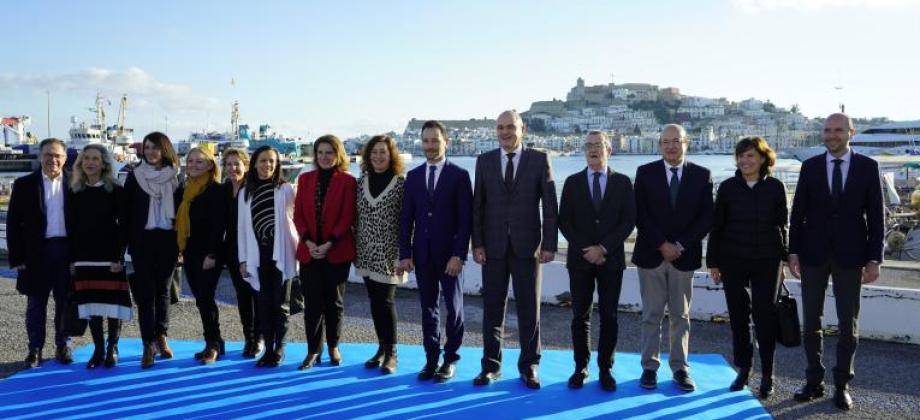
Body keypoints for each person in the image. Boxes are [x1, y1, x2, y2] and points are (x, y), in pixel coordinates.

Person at [789, 113, 884, 411]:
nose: (831, 135)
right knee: (811, 322)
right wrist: (793, 251)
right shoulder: (810, 167)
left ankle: (842, 384)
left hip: (851, 256)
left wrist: (874, 259)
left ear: (851, 133)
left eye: (838, 130)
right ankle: (813, 380)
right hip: (812, 254)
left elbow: (877, 217)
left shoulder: (868, 167)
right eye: (827, 130)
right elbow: (798, 213)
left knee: (847, 323)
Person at [471, 110, 557, 389]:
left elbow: (550, 206)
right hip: (493, 247)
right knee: (492, 310)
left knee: (529, 310)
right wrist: (478, 243)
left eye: (510, 127)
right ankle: (490, 366)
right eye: (500, 128)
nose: (505, 132)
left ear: (523, 129)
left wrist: (549, 244)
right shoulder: (484, 161)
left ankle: (530, 365)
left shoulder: (539, 159)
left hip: (528, 248)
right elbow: (478, 207)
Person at [632, 123, 713, 392]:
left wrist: (679, 244)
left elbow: (706, 218)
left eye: (675, 141)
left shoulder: (702, 175)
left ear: (686, 143)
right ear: (660, 145)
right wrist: (661, 244)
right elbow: (640, 213)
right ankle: (649, 368)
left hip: (684, 255)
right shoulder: (645, 173)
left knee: (681, 315)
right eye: (665, 141)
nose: (670, 146)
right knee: (651, 315)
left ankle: (680, 368)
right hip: (651, 255)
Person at [707, 137, 788, 398]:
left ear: (763, 158)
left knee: (765, 318)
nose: (744, 161)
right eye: (741, 156)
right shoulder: (728, 188)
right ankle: (744, 369)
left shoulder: (776, 187)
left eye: (750, 156)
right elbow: (717, 227)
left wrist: (785, 259)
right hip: (733, 259)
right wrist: (713, 262)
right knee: (738, 318)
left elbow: (782, 226)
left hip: (768, 261)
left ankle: (767, 374)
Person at [558, 131, 635, 391]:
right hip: (580, 261)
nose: (593, 149)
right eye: (588, 146)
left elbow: (628, 220)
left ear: (609, 150)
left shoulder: (623, 182)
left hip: (611, 260)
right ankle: (581, 367)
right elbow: (564, 221)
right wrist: (587, 249)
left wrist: (603, 248)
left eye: (598, 145)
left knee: (609, 316)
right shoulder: (571, 182)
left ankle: (606, 368)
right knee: (580, 315)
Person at [399, 121, 472, 382]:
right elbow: (407, 219)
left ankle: (450, 359)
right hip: (422, 255)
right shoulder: (414, 176)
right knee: (428, 308)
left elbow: (466, 221)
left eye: (435, 140)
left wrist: (459, 255)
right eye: (426, 141)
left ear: (446, 142)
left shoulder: (460, 176)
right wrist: (405, 253)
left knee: (454, 308)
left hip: (450, 256)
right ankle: (431, 359)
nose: (430, 146)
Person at [7, 138, 73, 367]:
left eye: (57, 156)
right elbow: (13, 223)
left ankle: (63, 345)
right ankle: (34, 349)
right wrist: (17, 258)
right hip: (35, 253)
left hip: (66, 251)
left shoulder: (75, 183)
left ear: (65, 159)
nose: (52, 160)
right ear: (40, 156)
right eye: (48, 155)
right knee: (36, 304)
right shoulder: (24, 184)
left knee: (65, 302)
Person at [293, 135, 357, 370]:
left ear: (338, 154)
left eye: (329, 152)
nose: (324, 157)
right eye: (320, 152)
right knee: (312, 304)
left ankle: (333, 346)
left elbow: (347, 216)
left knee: (334, 302)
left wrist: (329, 243)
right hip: (310, 251)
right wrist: (309, 242)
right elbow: (298, 215)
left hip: (337, 250)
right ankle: (313, 350)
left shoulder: (348, 182)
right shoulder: (305, 179)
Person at [66, 144, 131, 369]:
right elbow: (71, 228)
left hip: (110, 258)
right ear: (81, 164)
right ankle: (98, 349)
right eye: (86, 159)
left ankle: (113, 347)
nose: (90, 162)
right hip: (84, 259)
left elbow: (124, 228)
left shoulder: (116, 191)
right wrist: (72, 260)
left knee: (112, 308)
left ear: (104, 163)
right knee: (92, 307)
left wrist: (119, 258)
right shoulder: (74, 191)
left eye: (95, 158)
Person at [238, 146, 299, 368]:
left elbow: (294, 219)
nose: (267, 165)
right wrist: (243, 259)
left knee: (281, 304)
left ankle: (280, 348)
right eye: (263, 161)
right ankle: (268, 349)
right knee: (263, 304)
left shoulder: (284, 189)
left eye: (272, 161)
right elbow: (241, 229)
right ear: (254, 163)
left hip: (281, 253)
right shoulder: (246, 191)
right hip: (258, 254)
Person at [123, 131, 180, 368]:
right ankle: (147, 343)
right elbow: (125, 214)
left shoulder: (176, 177)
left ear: (164, 149)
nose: (150, 152)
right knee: (145, 294)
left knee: (163, 291)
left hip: (167, 239)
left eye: (155, 147)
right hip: (142, 241)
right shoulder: (134, 177)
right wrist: (127, 244)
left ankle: (161, 335)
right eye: (146, 148)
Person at [354, 135, 406, 374]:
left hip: (389, 252)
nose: (377, 157)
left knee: (386, 301)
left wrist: (404, 254)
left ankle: (392, 352)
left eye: (382, 152)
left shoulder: (400, 183)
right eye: (373, 152)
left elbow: (408, 223)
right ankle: (381, 348)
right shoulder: (360, 181)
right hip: (365, 250)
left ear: (391, 155)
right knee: (374, 301)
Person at [177, 147, 227, 364]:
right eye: (191, 161)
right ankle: (217, 342)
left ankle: (212, 344)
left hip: (209, 255)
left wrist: (213, 254)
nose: (194, 165)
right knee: (200, 299)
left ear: (210, 165)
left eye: (200, 162)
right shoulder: (185, 189)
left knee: (205, 299)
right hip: (189, 252)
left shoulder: (216, 190)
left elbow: (219, 227)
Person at [222, 148, 263, 358]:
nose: (232, 168)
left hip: (252, 249)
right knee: (242, 296)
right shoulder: (224, 189)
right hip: (232, 251)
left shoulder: (253, 189)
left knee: (256, 294)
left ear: (246, 165)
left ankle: (259, 338)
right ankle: (248, 337)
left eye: (237, 164)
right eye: (228, 164)